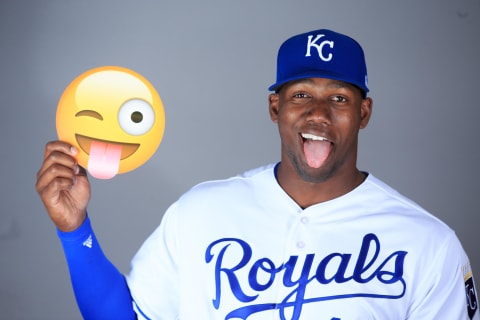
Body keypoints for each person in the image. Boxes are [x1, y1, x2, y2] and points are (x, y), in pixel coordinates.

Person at [36, 28, 479, 320]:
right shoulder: (201, 212)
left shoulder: (429, 244)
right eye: (301, 94)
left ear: (364, 113)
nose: (318, 113)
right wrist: (75, 231)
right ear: (276, 108)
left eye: (339, 99)